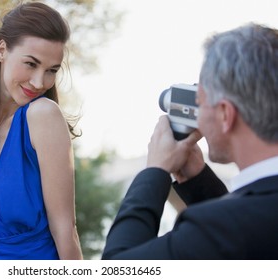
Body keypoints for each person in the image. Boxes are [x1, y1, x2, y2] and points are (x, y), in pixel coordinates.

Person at [102, 23, 278, 259]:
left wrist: (155, 171)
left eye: (201, 102)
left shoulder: (218, 227)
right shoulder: (248, 219)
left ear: (225, 114)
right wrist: (197, 180)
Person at [0, 2, 83, 260]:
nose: (39, 82)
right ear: (2, 50)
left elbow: (65, 231)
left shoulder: (43, 115)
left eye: (51, 71)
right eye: (31, 64)